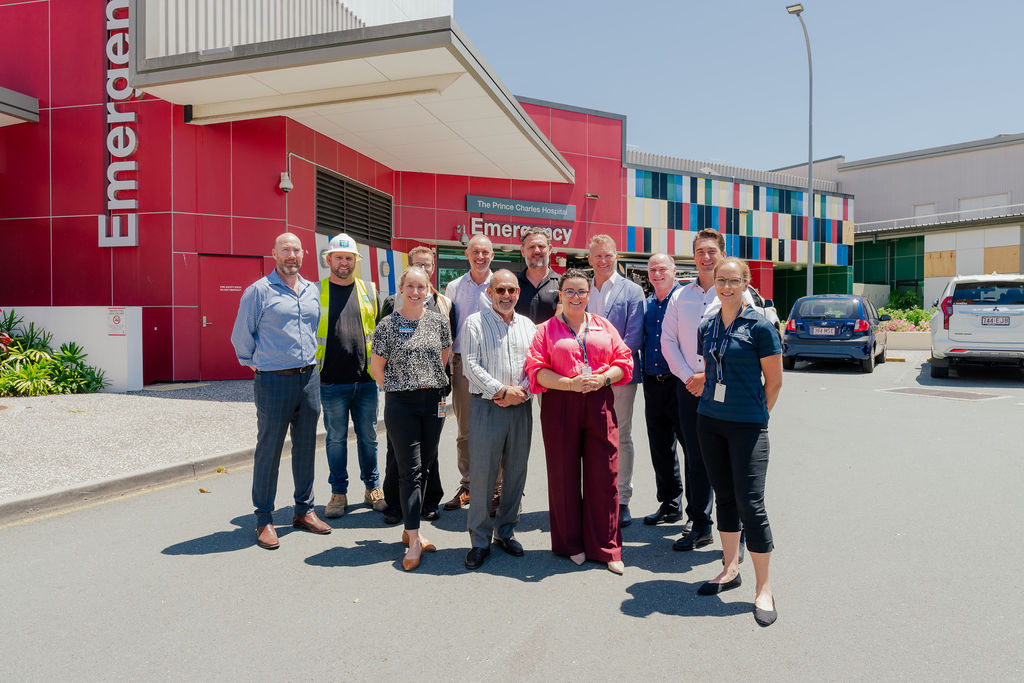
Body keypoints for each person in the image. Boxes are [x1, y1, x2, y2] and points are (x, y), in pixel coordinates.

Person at [525, 268, 633, 575]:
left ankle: (607, 547)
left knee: (605, 474)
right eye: (569, 291)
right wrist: (569, 384)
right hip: (561, 401)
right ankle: (570, 543)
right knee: (563, 476)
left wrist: (601, 378)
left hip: (599, 400)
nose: (576, 297)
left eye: (581, 292)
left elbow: (623, 361)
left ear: (589, 295)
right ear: (560, 295)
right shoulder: (546, 330)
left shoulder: (603, 325)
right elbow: (536, 370)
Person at [693, 257, 782, 628]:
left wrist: (757, 416)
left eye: (734, 280)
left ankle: (764, 588)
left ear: (746, 283)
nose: (726, 286)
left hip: (747, 426)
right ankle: (730, 569)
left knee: (751, 504)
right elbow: (712, 370)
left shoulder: (761, 327)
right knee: (725, 497)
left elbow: (774, 382)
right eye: (721, 280)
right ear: (714, 282)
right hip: (710, 422)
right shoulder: (708, 325)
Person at [230, 232, 332, 549]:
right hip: (273, 380)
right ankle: (264, 518)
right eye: (285, 250)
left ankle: (304, 510)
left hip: (308, 378)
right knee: (269, 450)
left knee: (305, 448)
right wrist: (257, 363)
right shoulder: (258, 292)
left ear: (304, 255)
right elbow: (240, 338)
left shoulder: (312, 290)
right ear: (274, 254)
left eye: (296, 250)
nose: (291, 255)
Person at [662, 228, 754, 552]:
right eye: (700, 251)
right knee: (696, 460)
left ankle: (738, 532)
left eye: (711, 251)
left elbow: (745, 340)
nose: (705, 257)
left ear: (722, 253)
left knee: (730, 461)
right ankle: (699, 524)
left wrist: (707, 376)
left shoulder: (739, 293)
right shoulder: (679, 296)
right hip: (689, 390)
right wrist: (691, 377)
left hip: (727, 391)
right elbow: (668, 342)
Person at [370, 266, 452, 571]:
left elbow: (443, 356)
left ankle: (409, 528)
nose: (416, 292)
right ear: (401, 290)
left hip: (434, 402)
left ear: (428, 291)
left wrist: (427, 380)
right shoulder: (387, 325)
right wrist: (398, 386)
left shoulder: (438, 321)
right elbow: (376, 367)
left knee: (427, 464)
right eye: (410, 287)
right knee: (411, 470)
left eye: (421, 287)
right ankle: (415, 539)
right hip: (401, 404)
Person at [461, 269, 537, 570]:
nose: (506, 296)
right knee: (483, 476)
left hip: (521, 407)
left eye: (511, 291)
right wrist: (502, 390)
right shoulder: (474, 323)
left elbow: (536, 365)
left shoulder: (528, 326)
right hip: (487, 408)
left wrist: (523, 392)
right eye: (500, 290)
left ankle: (505, 532)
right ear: (490, 293)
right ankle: (479, 541)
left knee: (516, 473)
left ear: (518, 293)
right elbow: (470, 366)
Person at [379, 246, 456, 524]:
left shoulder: (444, 304)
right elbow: (380, 352)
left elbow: (447, 349)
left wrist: (434, 376)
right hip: (400, 394)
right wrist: (394, 383)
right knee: (397, 450)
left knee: (429, 452)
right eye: (417, 265)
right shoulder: (391, 304)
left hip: (433, 391)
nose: (422, 270)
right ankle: (395, 504)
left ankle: (429, 500)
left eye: (427, 266)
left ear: (433, 269)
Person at [315, 233, 386, 519]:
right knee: (335, 439)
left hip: (366, 381)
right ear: (329, 259)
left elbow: (381, 333)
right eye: (338, 257)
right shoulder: (315, 291)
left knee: (369, 437)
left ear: (355, 261)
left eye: (348, 258)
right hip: (331, 381)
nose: (343, 262)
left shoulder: (369, 290)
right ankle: (338, 493)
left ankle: (372, 488)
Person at [586, 234, 644, 528]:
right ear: (589, 259)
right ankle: (596, 496)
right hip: (583, 377)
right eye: (598, 256)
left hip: (619, 377)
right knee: (591, 437)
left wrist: (607, 370)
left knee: (621, 436)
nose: (603, 261)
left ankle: (622, 499)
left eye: (608, 255)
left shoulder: (632, 291)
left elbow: (634, 336)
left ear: (616, 256)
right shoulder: (581, 288)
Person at [442, 235, 495, 513]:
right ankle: (468, 485)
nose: (480, 257)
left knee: (496, 427)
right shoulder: (453, 287)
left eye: (485, 252)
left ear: (492, 255)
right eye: (476, 252)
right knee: (465, 431)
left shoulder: (500, 285)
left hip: (494, 364)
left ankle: (496, 489)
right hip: (462, 363)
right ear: (467, 253)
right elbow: (447, 327)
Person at [640, 253, 685, 526]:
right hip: (653, 381)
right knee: (661, 447)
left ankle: (698, 514)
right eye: (652, 269)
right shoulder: (647, 305)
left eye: (662, 269)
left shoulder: (685, 300)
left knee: (693, 450)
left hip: (680, 382)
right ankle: (670, 504)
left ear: (674, 270)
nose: (657, 274)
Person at [515, 228, 561, 324]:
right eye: (531, 246)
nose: (536, 251)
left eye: (541, 246)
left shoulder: (562, 283)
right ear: (523, 251)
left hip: (550, 338)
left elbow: (560, 320)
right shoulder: (512, 284)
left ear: (550, 249)